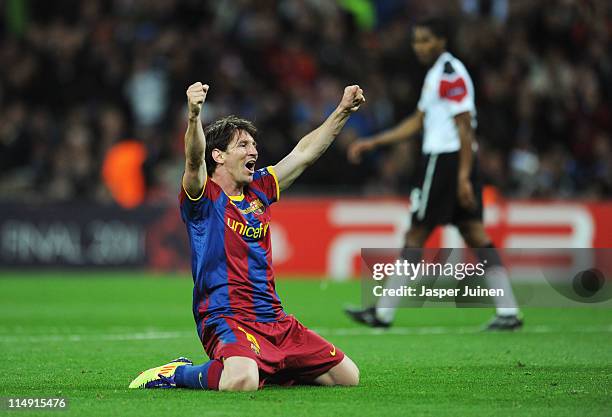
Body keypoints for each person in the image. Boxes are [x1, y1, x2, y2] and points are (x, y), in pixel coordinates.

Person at [129, 81, 365, 391]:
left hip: (273, 317)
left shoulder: (260, 189)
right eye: (242, 145)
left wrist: (342, 111)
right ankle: (177, 373)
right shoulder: (203, 196)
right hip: (226, 316)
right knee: (242, 381)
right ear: (219, 156)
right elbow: (193, 159)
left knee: (347, 376)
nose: (253, 150)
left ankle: (268, 365)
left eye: (253, 145)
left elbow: (304, 153)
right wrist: (193, 116)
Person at [344, 17, 522, 331]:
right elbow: (418, 120)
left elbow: (465, 126)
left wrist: (464, 175)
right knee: (475, 234)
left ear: (442, 41)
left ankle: (383, 313)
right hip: (453, 162)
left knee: (416, 234)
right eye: (416, 40)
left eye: (425, 40)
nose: (419, 46)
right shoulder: (438, 73)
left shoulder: (450, 74)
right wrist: (375, 141)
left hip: (445, 162)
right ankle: (509, 312)